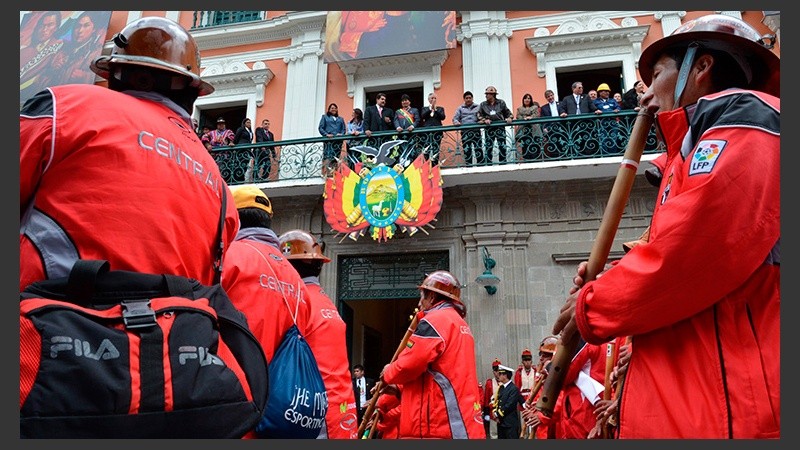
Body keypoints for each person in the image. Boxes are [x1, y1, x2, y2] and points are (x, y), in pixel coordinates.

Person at [553, 14, 780, 438]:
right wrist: (620, 275)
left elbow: (693, 251)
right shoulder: (693, 148)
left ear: (701, 67)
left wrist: (592, 305)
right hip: (698, 402)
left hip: (731, 408)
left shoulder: (748, 123)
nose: (645, 93)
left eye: (656, 74)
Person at [20, 16, 237, 293]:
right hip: (171, 333)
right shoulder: (221, 189)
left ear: (117, 73)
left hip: (44, 326)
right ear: (193, 90)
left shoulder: (64, 107)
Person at [380, 270, 486, 439]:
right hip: (459, 420)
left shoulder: (434, 321)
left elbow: (410, 365)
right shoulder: (459, 323)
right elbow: (437, 372)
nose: (419, 303)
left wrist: (388, 372)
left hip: (440, 424)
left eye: (422, 296)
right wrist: (399, 390)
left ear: (431, 296)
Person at [279, 229, 358, 439]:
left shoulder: (295, 302)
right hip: (340, 407)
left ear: (288, 266)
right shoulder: (324, 301)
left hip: (312, 412)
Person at [220, 186, 311, 365]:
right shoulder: (297, 279)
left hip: (234, 382)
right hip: (281, 388)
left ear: (231, 218)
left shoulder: (226, 257)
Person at [47, 11, 106, 87]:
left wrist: (84, 76)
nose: (80, 31)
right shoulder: (62, 48)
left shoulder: (96, 51)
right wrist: (52, 69)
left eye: (86, 26)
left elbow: (103, 77)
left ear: (94, 29)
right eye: (78, 26)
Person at [20, 11, 64, 107]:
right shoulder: (25, 50)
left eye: (50, 25)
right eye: (42, 25)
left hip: (37, 97)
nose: (44, 29)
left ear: (56, 27)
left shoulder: (59, 47)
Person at [477, 85, 513, 164]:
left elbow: (508, 113)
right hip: (489, 128)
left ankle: (503, 163)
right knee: (489, 147)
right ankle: (488, 164)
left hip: (500, 127)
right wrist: (484, 120)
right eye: (486, 94)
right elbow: (479, 115)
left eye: (488, 94)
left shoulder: (501, 102)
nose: (486, 95)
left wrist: (509, 118)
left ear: (493, 95)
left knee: (502, 146)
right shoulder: (483, 104)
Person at [493, 364, 524, 439]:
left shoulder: (513, 389)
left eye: (500, 374)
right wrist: (494, 412)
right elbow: (497, 401)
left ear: (505, 375)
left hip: (510, 423)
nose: (498, 376)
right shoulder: (501, 388)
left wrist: (497, 414)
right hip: (501, 423)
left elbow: (509, 405)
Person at [452, 90, 481, 166]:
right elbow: (455, 118)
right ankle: (469, 165)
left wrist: (481, 120)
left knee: (478, 148)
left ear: (472, 98)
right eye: (466, 98)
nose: (468, 99)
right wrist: (456, 122)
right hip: (465, 131)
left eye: (470, 98)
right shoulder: (460, 108)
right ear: (464, 99)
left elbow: (482, 116)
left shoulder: (478, 107)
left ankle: (481, 164)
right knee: (467, 149)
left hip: (476, 130)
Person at [592, 83, 622, 154]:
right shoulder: (595, 102)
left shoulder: (612, 100)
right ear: (600, 92)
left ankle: (613, 154)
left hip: (612, 122)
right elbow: (592, 109)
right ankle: (605, 155)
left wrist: (617, 110)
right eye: (605, 91)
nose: (607, 93)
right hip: (601, 123)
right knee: (603, 139)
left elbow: (618, 107)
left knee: (613, 139)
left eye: (608, 91)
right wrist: (596, 111)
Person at [318, 102, 347, 174]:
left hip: (338, 141)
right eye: (332, 108)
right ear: (329, 109)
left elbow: (343, 129)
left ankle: (334, 173)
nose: (333, 109)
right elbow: (321, 128)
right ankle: (327, 173)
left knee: (336, 157)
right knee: (328, 156)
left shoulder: (340, 119)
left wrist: (341, 134)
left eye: (335, 108)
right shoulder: (325, 117)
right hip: (329, 141)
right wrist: (326, 134)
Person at [419, 92, 446, 165]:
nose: (433, 99)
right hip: (427, 132)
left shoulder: (440, 108)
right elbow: (423, 116)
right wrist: (430, 109)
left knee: (436, 149)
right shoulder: (424, 108)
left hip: (437, 132)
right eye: (432, 98)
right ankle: (426, 165)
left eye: (435, 98)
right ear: (428, 100)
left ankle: (435, 165)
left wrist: (436, 110)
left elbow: (443, 117)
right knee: (427, 149)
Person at [514, 93, 543, 161]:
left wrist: (531, 117)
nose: (527, 99)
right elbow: (518, 117)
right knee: (525, 147)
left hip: (534, 130)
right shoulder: (519, 109)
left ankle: (535, 161)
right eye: (525, 98)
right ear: (523, 100)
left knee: (535, 146)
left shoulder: (535, 107)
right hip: (524, 131)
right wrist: (526, 117)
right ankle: (527, 161)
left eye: (529, 98)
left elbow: (536, 115)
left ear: (531, 100)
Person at [513, 348, 536, 430]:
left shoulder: (536, 371)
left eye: (529, 360)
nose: (527, 362)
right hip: (523, 399)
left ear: (531, 361)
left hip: (534, 399)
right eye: (525, 360)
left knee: (533, 423)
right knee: (524, 425)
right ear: (522, 361)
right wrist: (522, 402)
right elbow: (517, 389)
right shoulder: (518, 373)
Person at [392, 94, 420, 160]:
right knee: (401, 150)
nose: (404, 102)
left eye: (406, 100)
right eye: (403, 101)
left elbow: (417, 120)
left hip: (411, 134)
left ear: (409, 102)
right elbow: (395, 121)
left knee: (412, 150)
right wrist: (398, 127)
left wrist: (412, 126)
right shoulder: (398, 112)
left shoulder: (414, 110)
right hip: (401, 134)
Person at [481, 358, 503, 439]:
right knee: (494, 434)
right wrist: (486, 413)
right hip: (493, 413)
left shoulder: (505, 382)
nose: (498, 372)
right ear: (493, 372)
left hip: (504, 412)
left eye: (499, 370)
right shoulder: (489, 383)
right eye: (496, 370)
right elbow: (486, 399)